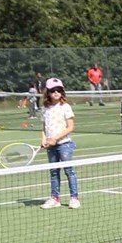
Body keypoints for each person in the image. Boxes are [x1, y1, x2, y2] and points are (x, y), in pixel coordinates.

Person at [38, 77, 81, 208]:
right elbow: (44, 128)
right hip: (51, 146)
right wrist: (44, 140)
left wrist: (55, 138)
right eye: (53, 90)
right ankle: (55, 198)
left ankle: (74, 198)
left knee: (69, 171)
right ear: (48, 93)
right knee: (54, 172)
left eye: (59, 90)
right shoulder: (45, 108)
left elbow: (70, 127)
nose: (56, 93)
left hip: (64, 144)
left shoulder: (65, 107)